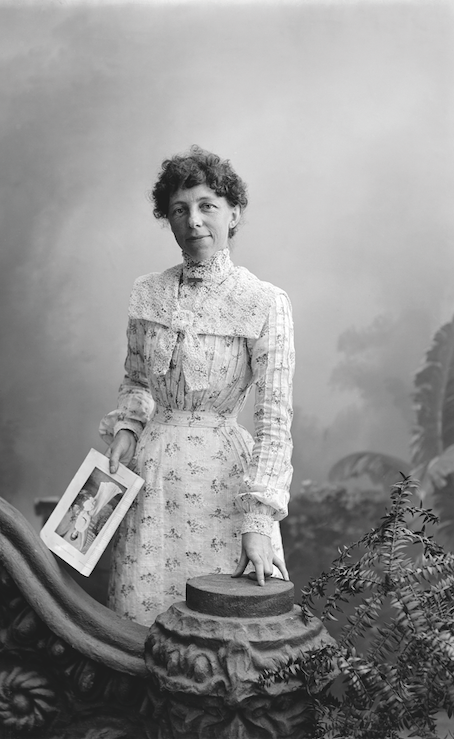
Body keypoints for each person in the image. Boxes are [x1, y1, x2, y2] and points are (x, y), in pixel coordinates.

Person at [99, 146, 295, 626]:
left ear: (234, 213)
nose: (194, 221)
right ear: (168, 220)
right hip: (150, 477)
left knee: (218, 634)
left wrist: (258, 521)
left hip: (224, 482)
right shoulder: (148, 291)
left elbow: (275, 420)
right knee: (139, 627)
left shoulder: (264, 302)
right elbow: (137, 379)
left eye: (208, 205)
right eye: (179, 210)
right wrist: (128, 425)